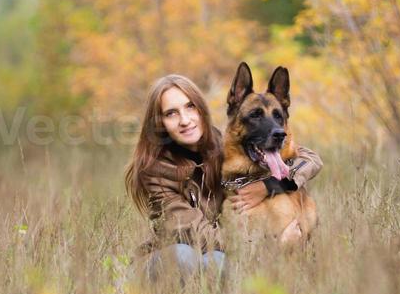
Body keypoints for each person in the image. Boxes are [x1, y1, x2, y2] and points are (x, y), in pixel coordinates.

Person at [125, 74, 322, 280]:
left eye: (190, 106)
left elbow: (309, 158)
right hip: (168, 261)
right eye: (171, 113)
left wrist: (270, 185)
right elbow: (198, 235)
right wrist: (274, 247)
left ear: (201, 108)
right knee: (192, 257)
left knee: (218, 261)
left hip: (213, 257)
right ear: (159, 123)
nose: (185, 120)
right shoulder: (155, 172)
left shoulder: (223, 146)